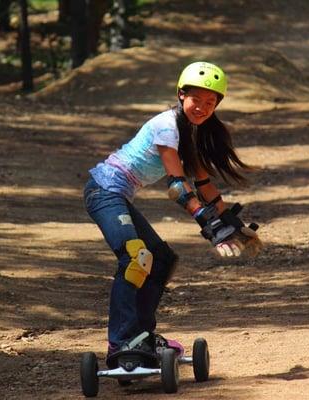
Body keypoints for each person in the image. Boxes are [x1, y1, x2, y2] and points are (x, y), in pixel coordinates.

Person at [83, 61, 263, 361]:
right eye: (197, 100)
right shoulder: (167, 126)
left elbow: (204, 184)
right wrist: (209, 227)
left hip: (117, 195)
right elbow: (178, 187)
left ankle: (141, 335)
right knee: (135, 256)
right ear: (181, 95)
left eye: (211, 103)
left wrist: (231, 223)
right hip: (102, 191)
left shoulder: (191, 133)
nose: (203, 108)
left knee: (162, 259)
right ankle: (121, 341)